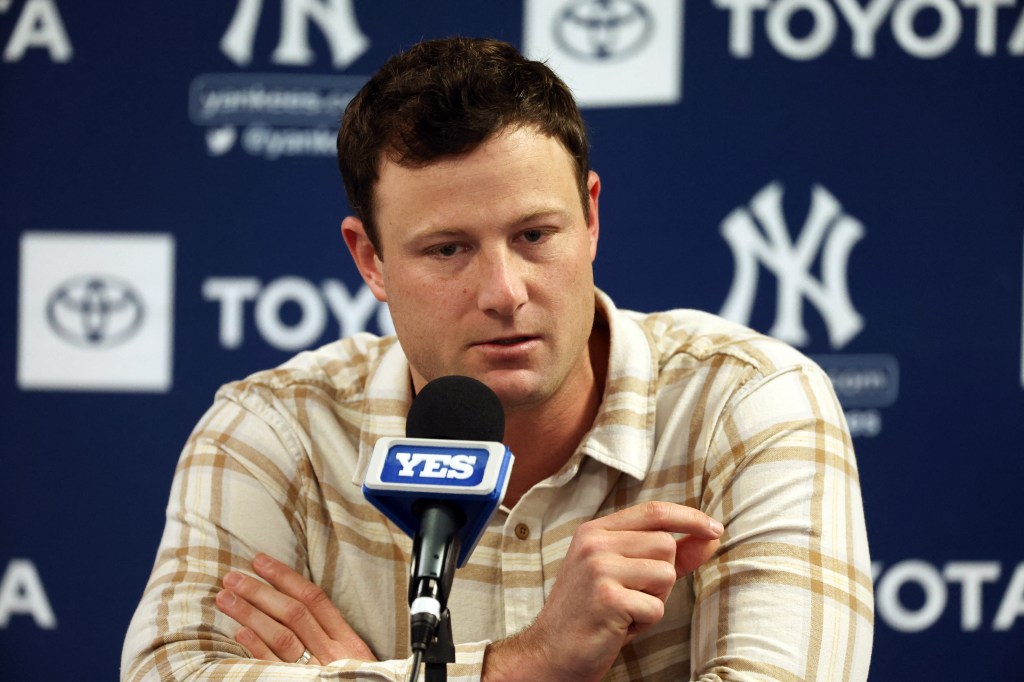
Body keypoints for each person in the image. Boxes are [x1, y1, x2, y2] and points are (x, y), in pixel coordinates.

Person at [122, 37, 873, 681]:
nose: (504, 293)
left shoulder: (749, 403)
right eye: (448, 250)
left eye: (535, 236)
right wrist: (528, 664)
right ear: (370, 259)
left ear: (591, 216)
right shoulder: (276, 432)